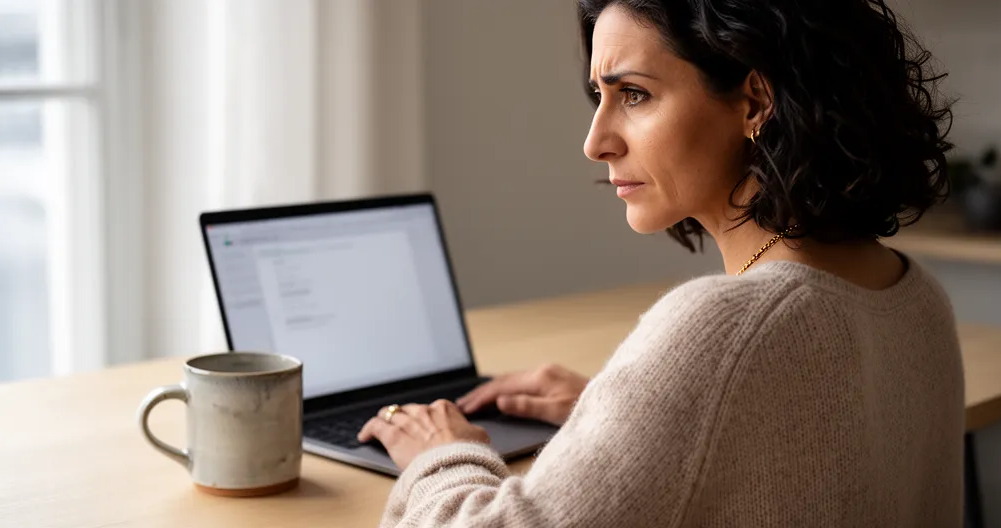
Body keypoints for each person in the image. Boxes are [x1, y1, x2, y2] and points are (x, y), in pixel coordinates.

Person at [357, 0, 964, 525]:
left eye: (635, 94)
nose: (596, 141)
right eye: (601, 96)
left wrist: (444, 453)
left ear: (755, 102)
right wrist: (623, 412)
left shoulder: (726, 326)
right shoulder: (916, 295)